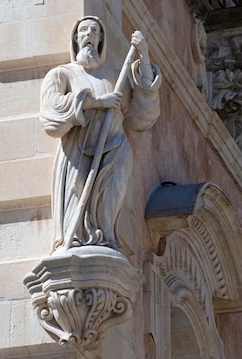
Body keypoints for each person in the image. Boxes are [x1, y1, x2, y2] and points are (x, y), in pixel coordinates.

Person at [40, 16, 161, 251]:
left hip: (115, 148)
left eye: (94, 31)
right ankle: (78, 239)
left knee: (112, 196)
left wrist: (144, 56)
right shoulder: (62, 74)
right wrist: (96, 103)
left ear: (100, 39)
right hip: (79, 152)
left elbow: (143, 113)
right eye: (83, 30)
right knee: (77, 199)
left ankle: (104, 237)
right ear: (75, 37)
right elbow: (51, 109)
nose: (88, 35)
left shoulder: (116, 77)